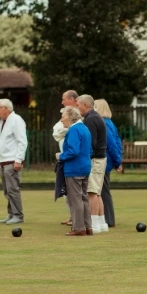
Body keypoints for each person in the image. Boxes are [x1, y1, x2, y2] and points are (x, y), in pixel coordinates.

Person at [57, 107, 93, 236]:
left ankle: (78, 228)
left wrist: (61, 156)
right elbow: (89, 150)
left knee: (75, 198)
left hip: (74, 168)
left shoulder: (73, 130)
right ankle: (88, 226)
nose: (61, 120)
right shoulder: (85, 128)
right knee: (84, 197)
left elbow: (73, 151)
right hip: (85, 167)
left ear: (71, 117)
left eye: (63, 116)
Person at [76, 95, 109, 232]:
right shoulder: (97, 117)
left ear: (84, 105)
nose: (77, 108)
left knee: (91, 192)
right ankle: (102, 223)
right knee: (97, 192)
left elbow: (91, 142)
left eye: (78, 105)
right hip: (100, 158)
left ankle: (94, 224)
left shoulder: (90, 119)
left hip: (95, 159)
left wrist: (84, 157)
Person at [0, 98, 27, 225]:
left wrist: (18, 160)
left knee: (13, 189)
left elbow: (22, 141)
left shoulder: (16, 120)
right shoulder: (3, 121)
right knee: (7, 190)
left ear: (6, 109)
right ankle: (11, 213)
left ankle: (18, 215)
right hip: (4, 160)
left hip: (12, 160)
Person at [95, 99, 123, 228]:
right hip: (110, 160)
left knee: (103, 191)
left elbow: (111, 144)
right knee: (103, 190)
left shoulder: (104, 124)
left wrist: (118, 162)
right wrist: (118, 160)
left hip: (104, 161)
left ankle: (108, 219)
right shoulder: (110, 123)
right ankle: (105, 218)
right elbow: (117, 142)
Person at [53, 90, 79, 226]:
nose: (62, 102)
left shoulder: (78, 117)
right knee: (67, 192)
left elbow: (68, 131)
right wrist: (63, 129)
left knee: (76, 193)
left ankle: (78, 220)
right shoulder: (65, 115)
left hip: (72, 159)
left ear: (71, 99)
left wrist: (64, 130)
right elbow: (56, 131)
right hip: (65, 159)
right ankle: (72, 216)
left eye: (64, 99)